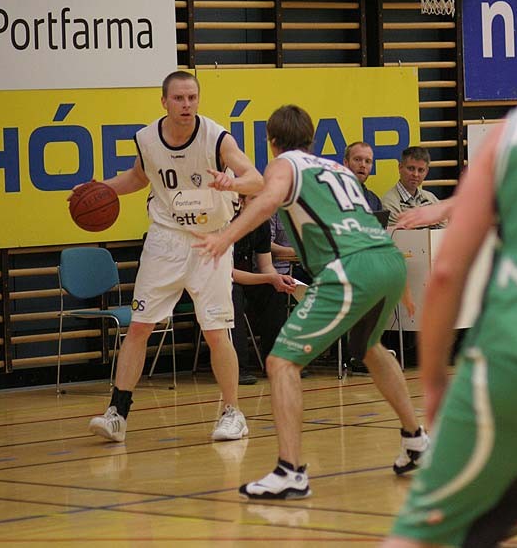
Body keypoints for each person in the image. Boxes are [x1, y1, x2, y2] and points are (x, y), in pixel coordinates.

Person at [193, 105, 429, 499]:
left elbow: (269, 199)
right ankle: (416, 439)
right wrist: (397, 281)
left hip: (349, 268)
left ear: (271, 141)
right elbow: (364, 221)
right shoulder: (336, 170)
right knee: (369, 348)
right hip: (386, 260)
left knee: (281, 362)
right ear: (312, 138)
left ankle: (290, 471)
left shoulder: (283, 164)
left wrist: (225, 237)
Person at [382, 102, 517, 547]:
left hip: (514, 356)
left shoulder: (516, 131)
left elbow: (446, 273)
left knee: (420, 533)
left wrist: (433, 382)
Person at [85, 70, 263, 443]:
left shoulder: (217, 138)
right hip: (165, 239)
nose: (186, 105)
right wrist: (99, 188)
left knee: (215, 331)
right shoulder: (148, 139)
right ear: (164, 101)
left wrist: (233, 182)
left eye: (192, 98)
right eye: (179, 98)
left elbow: (257, 180)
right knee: (139, 326)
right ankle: (117, 413)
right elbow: (138, 178)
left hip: (210, 240)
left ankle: (233, 413)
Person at [232, 208, 296, 385]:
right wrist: (269, 278)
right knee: (232, 292)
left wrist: (277, 279)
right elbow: (227, 273)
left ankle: (274, 362)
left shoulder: (261, 223)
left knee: (274, 291)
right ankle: (238, 367)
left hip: (247, 276)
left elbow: (266, 266)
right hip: (220, 280)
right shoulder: (225, 224)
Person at [381, 146, 446, 228]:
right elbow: (399, 233)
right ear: (400, 167)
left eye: (421, 170)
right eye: (411, 169)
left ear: (426, 172)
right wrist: (430, 222)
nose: (415, 174)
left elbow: (444, 229)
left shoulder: (431, 198)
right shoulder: (388, 202)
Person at [343, 141, 383, 212]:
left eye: (367, 161)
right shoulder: (331, 194)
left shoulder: (374, 200)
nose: (363, 165)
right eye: (357, 160)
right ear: (346, 163)